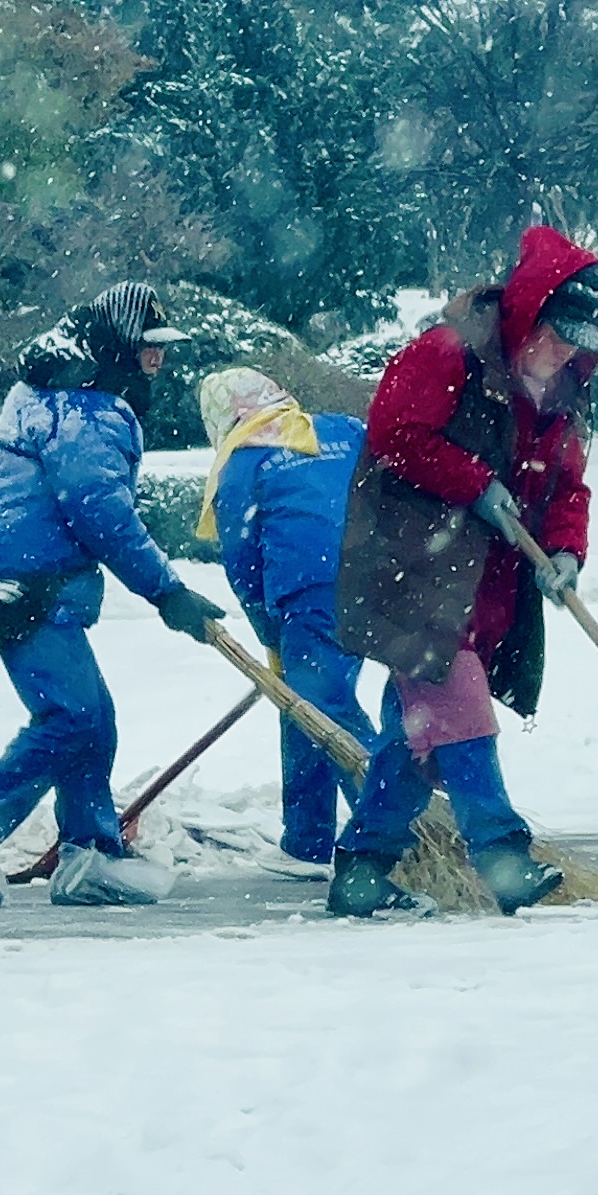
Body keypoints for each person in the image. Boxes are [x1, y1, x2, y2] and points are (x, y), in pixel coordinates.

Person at [0, 282, 232, 910]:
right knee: (74, 718)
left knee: (93, 723)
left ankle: (91, 855)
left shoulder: (62, 393)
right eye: (147, 349)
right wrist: (168, 592)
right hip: (31, 587)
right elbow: (100, 513)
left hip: (38, 581)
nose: (157, 362)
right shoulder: (81, 408)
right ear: (118, 346)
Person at [331, 226, 598, 918]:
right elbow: (394, 432)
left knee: (414, 735)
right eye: (554, 336)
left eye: (576, 342)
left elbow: (567, 487)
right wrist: (473, 482)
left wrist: (567, 551)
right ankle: (503, 856)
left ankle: (360, 871)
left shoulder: (561, 397)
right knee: (459, 710)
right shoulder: (448, 355)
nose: (562, 353)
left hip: (483, 592)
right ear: (527, 316)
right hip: (413, 572)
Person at [197, 367, 375, 874]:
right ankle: (307, 839)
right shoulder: (341, 430)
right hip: (377, 578)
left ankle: (389, 822)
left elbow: (243, 565)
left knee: (322, 705)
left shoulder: (242, 463)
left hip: (312, 588)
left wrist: (270, 635)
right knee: (305, 701)